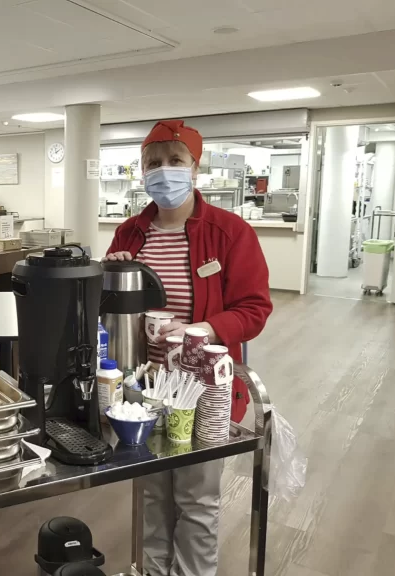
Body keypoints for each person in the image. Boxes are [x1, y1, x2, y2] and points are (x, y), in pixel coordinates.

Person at [106, 120, 272, 576]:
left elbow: (254, 309)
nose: (164, 170)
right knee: (151, 493)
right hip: (143, 390)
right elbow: (109, 308)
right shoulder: (130, 233)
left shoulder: (229, 232)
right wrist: (112, 272)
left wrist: (202, 329)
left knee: (197, 500)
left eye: (175, 160)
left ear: (194, 168)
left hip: (201, 391)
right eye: (153, 163)